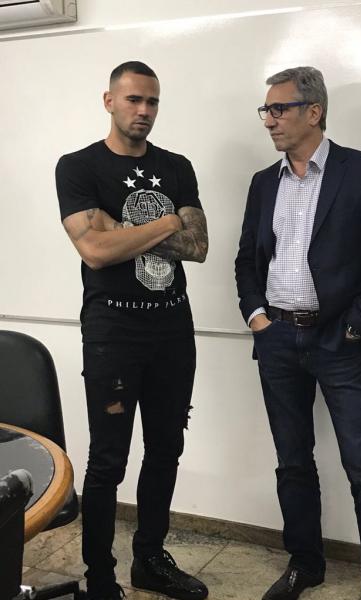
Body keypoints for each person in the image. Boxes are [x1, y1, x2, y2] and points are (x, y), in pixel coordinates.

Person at [235, 67, 361, 600]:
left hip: (339, 342)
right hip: (277, 339)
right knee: (292, 463)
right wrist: (256, 318)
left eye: (279, 109)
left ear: (314, 112)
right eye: (266, 110)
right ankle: (304, 565)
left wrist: (356, 326)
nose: (269, 120)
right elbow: (246, 260)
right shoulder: (264, 182)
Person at [55, 61, 208, 600]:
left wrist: (123, 227)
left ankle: (150, 560)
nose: (144, 111)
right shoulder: (78, 167)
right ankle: (100, 577)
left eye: (152, 101)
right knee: (108, 461)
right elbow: (95, 252)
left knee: (166, 449)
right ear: (109, 101)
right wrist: (168, 221)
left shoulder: (177, 166)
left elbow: (198, 247)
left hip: (173, 331)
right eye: (133, 99)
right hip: (113, 333)